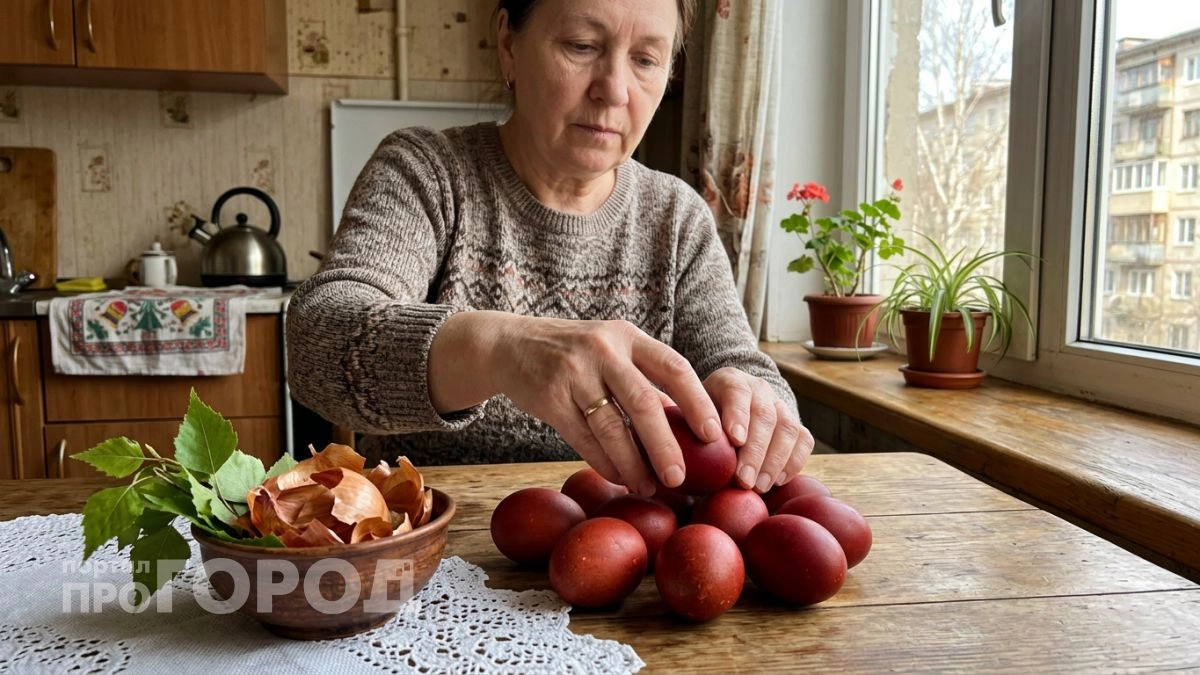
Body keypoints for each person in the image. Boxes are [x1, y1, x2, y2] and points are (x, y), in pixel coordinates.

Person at [286, 0, 815, 497]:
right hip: (437, 557)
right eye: (582, 46)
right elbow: (318, 345)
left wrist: (751, 401)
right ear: (509, 44)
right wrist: (503, 350)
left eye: (646, 59)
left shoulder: (676, 217)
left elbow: (747, 368)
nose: (614, 90)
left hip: (635, 567)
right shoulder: (427, 172)